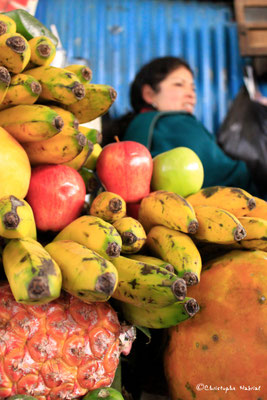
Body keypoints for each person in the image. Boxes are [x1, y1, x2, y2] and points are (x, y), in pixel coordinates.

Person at [105, 56, 259, 196]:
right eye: (179, 84)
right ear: (149, 94)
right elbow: (223, 172)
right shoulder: (177, 122)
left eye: (193, 88)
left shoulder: (136, 126)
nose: (191, 94)